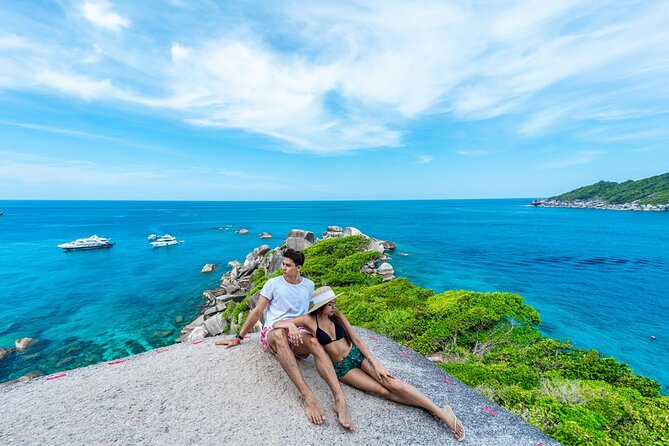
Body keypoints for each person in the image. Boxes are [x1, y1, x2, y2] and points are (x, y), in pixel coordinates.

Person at [273, 286, 466, 441]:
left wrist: (375, 362)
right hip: (342, 368)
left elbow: (356, 339)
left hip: (357, 356)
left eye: (334, 303)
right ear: (321, 306)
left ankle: (441, 412)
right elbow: (276, 324)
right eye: (330, 304)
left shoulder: (338, 316)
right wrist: (291, 325)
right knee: (382, 391)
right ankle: (426, 407)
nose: (334, 307)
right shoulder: (308, 320)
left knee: (393, 384)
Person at [215, 249, 354, 430]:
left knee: (314, 342)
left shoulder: (309, 285)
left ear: (299, 267)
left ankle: (339, 400)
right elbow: (257, 312)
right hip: (274, 330)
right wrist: (238, 338)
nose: (283, 268)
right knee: (280, 335)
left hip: (299, 332)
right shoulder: (273, 284)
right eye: (283, 264)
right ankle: (307, 397)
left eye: (288, 265)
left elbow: (316, 313)